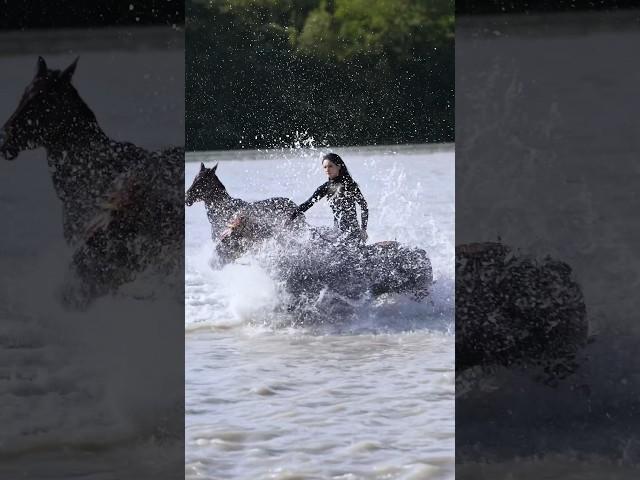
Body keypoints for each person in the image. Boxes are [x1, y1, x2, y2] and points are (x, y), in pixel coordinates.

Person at [292, 153, 368, 244]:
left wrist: (363, 230)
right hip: (337, 232)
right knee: (313, 235)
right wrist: (291, 217)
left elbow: (364, 206)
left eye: (330, 166)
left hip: (352, 233)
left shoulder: (349, 185)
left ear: (338, 166)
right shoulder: (325, 187)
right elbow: (308, 203)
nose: (327, 170)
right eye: (325, 167)